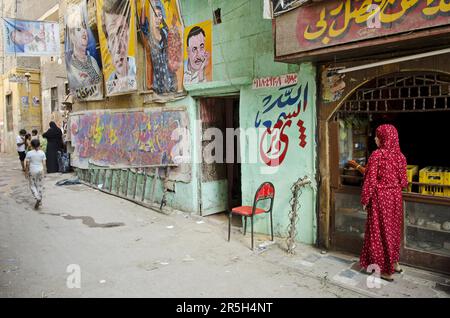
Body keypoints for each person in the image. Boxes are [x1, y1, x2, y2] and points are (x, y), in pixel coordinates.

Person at [359, 124, 408, 282]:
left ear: (384, 138)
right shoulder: (401, 157)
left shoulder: (377, 155)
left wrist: (365, 199)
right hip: (395, 198)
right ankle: (394, 263)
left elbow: (370, 181)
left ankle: (386, 271)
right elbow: (404, 181)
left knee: (380, 233)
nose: (375, 138)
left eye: (377, 136)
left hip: (381, 199)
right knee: (393, 231)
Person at [65, 7, 102, 99]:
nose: (84, 32)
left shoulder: (92, 60)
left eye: (84, 28)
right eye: (78, 29)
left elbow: (100, 82)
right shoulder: (71, 66)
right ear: (72, 37)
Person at [142, 2, 177, 94]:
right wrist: (142, 5)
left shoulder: (165, 32)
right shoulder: (150, 36)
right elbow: (142, 25)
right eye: (155, 16)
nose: (157, 19)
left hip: (170, 80)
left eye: (160, 15)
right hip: (158, 83)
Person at [102, 0, 136, 84]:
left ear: (129, 32)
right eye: (112, 37)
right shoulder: (109, 83)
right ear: (107, 44)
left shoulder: (138, 70)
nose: (117, 48)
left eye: (121, 33)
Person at [24, 139, 46, 209]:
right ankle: (40, 200)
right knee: (40, 185)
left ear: (31, 145)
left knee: (32, 185)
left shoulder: (29, 153)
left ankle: (37, 198)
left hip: (32, 171)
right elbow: (44, 163)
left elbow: (27, 164)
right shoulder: (42, 153)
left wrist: (26, 172)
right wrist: (44, 172)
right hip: (40, 170)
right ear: (39, 145)